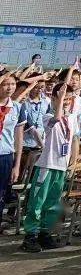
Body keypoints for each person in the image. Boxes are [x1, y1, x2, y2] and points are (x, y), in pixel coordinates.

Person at [21, 72, 77, 253]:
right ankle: (30, 236)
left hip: (61, 166)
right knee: (37, 202)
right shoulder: (48, 116)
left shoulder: (72, 118)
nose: (66, 101)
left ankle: (45, 234)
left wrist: (73, 161)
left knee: (53, 203)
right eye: (62, 98)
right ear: (53, 98)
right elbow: (57, 118)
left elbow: (74, 139)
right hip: (47, 166)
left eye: (69, 98)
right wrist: (59, 98)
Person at [0, 73, 25, 227]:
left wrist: (17, 164)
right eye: (5, 84)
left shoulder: (16, 107)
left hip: (5, 157)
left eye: (12, 84)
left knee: (1, 193)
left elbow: (19, 138)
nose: (9, 87)